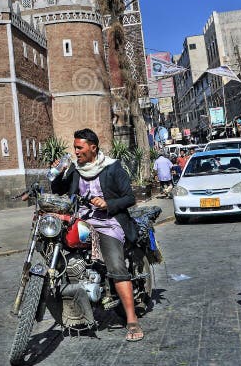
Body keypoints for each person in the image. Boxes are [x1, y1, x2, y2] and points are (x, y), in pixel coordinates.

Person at [51, 129, 143, 342]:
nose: (76, 151)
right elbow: (59, 190)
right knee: (63, 248)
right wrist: (57, 172)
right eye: (74, 147)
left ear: (93, 147)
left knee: (115, 265)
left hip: (108, 223)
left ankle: (131, 319)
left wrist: (108, 204)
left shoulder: (112, 167)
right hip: (82, 222)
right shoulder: (75, 169)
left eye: (79, 147)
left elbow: (130, 197)